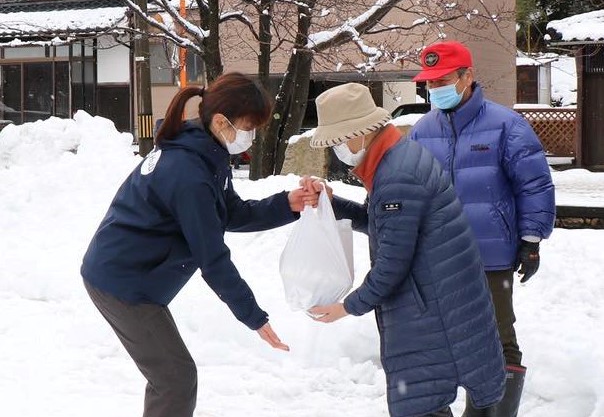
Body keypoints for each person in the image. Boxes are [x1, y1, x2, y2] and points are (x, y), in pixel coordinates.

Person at [81, 72, 319, 417]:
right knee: (175, 378)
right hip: (123, 283)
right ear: (222, 121)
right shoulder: (188, 172)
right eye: (249, 127)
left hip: (131, 274)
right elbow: (213, 260)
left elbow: (228, 212)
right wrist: (254, 317)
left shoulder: (205, 151)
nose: (251, 137)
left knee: (171, 377)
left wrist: (287, 204)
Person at [305, 82, 506, 417]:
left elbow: (391, 267)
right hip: (441, 301)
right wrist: (334, 203)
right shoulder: (396, 159)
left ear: (360, 132)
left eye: (339, 140)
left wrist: (347, 307)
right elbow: (388, 228)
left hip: (431, 312)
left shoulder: (396, 176)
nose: (338, 149)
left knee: (424, 404)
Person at [409, 41, 556, 417]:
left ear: (467, 77)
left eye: (443, 80)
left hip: (490, 256)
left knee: (497, 339)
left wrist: (531, 240)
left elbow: (535, 185)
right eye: (429, 83)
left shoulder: (506, 125)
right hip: (437, 257)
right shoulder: (421, 131)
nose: (434, 89)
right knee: (435, 340)